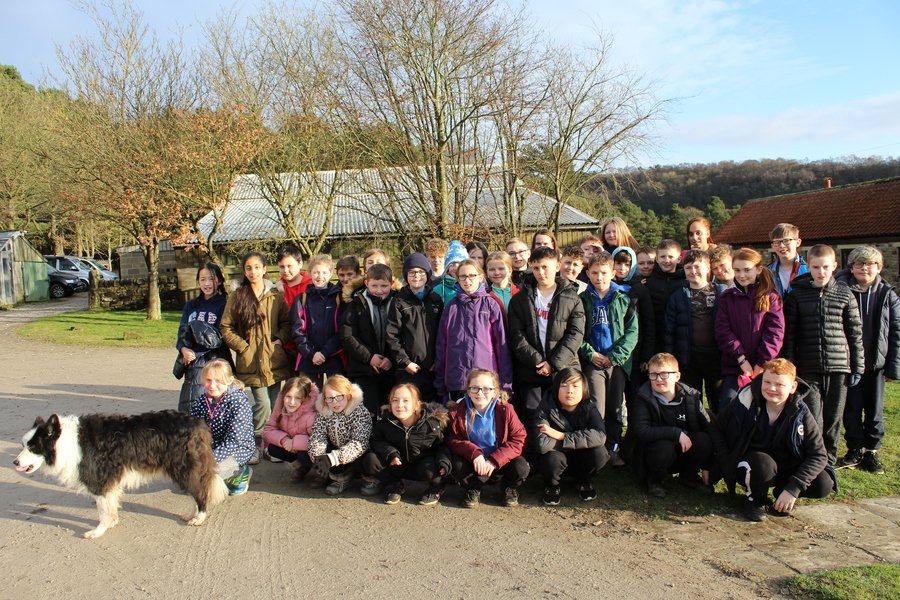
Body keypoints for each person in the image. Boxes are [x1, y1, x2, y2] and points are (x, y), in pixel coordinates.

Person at [710, 358, 835, 522]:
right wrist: (726, 460)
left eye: (779, 385)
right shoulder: (745, 400)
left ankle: (781, 496)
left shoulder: (802, 413)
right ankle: (755, 500)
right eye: (767, 382)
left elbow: (818, 455)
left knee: (824, 483)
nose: (771, 388)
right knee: (763, 463)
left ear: (793, 387)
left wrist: (793, 489)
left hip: (784, 467)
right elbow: (717, 427)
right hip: (751, 465)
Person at [782, 244, 863, 466]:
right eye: (816, 267)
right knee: (814, 417)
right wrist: (790, 365)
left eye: (825, 267)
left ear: (835, 266)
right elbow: (790, 335)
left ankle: (829, 460)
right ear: (808, 266)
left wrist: (858, 366)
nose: (821, 272)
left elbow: (855, 333)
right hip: (808, 367)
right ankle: (814, 458)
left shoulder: (845, 293)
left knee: (833, 418)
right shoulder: (797, 295)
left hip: (839, 367)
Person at [220, 252, 293, 464]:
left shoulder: (275, 295)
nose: (253, 272)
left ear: (264, 269)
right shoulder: (237, 296)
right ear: (244, 271)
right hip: (250, 361)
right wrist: (242, 346)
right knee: (263, 405)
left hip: (274, 360)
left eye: (257, 267)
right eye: (248, 268)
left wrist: (279, 339)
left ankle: (271, 446)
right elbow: (225, 327)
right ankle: (250, 445)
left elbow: (287, 323)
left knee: (275, 404)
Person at [835, 246, 900, 473]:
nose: (864, 268)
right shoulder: (840, 289)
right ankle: (854, 449)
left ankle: (871, 452)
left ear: (879, 268)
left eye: (870, 264)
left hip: (876, 362)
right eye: (859, 264)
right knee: (851, 408)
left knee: (874, 410)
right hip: (849, 361)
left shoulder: (887, 294)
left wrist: (894, 366)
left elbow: (896, 331)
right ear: (851, 267)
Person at [508, 246, 585, 422]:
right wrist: (537, 361)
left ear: (557, 266)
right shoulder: (519, 300)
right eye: (536, 268)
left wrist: (553, 363)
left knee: (565, 415)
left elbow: (576, 334)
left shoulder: (572, 298)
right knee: (533, 415)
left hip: (563, 367)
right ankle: (537, 449)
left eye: (545, 267)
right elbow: (517, 335)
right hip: (531, 368)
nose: (541, 272)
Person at [579, 252, 638, 466]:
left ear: (613, 273)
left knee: (615, 406)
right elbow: (576, 332)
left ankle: (613, 446)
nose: (599, 277)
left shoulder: (625, 298)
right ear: (588, 274)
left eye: (604, 273)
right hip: (593, 361)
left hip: (617, 363)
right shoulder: (583, 299)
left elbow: (632, 333)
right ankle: (596, 446)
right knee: (596, 406)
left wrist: (614, 357)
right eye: (594, 273)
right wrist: (590, 354)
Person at [629, 353, 712, 498]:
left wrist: (707, 466)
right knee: (664, 447)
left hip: (683, 451)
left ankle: (688, 475)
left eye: (664, 374)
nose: (658, 379)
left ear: (677, 376)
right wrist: (676, 433)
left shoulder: (691, 397)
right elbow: (640, 431)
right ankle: (655, 480)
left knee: (703, 440)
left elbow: (708, 428)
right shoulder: (643, 397)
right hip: (656, 454)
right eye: (653, 374)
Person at [447, 369, 530, 508]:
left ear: (495, 391)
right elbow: (453, 440)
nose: (480, 393)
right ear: (468, 390)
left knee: (520, 468)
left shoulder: (506, 409)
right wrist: (474, 454)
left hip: (500, 463)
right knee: (457, 465)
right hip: (474, 463)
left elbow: (519, 438)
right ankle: (473, 488)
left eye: (486, 389)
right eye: (475, 388)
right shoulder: (458, 410)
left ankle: (508, 488)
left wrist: (494, 460)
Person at [715, 248, 784, 411]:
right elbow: (723, 331)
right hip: (736, 366)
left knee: (762, 409)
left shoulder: (770, 297)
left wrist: (762, 363)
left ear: (758, 269)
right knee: (729, 406)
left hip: (765, 367)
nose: (742, 275)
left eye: (747, 270)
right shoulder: (727, 298)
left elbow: (775, 333)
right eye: (737, 270)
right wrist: (741, 359)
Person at [435, 259, 512, 403]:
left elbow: (502, 346)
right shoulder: (451, 307)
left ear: (481, 277)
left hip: (486, 383)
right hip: (457, 381)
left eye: (472, 275)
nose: (467, 280)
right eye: (463, 276)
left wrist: (505, 385)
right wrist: (440, 384)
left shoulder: (491, 305)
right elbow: (442, 347)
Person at [361, 383, 451, 505]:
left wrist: (443, 461)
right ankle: (394, 485)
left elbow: (442, 446)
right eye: (395, 400)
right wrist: (391, 453)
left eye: (406, 401)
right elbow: (376, 441)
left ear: (416, 405)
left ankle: (436, 488)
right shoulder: (385, 422)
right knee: (370, 460)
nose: (400, 405)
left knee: (432, 469)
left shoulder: (431, 424)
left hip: (422, 466)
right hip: (397, 464)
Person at [531, 367, 608, 505]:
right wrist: (575, 443)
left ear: (584, 389)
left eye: (576, 386)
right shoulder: (545, 408)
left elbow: (600, 436)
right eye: (564, 386)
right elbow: (542, 444)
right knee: (551, 458)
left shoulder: (589, 407)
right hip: (558, 458)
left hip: (581, 457)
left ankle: (584, 481)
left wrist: (562, 436)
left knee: (600, 453)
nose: (570, 391)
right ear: (556, 388)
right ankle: (552, 486)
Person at [663, 250, 724, 412]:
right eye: (688, 267)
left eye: (697, 266)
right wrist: (670, 358)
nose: (693, 271)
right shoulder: (678, 296)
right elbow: (669, 330)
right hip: (688, 357)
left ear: (707, 268)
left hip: (715, 357)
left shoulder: (721, 293)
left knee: (718, 399)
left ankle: (719, 433)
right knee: (691, 401)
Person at [190, 359, 255, 496]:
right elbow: (192, 428)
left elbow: (234, 441)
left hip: (239, 448)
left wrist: (209, 459)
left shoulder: (238, 402)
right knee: (193, 470)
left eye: (218, 380)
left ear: (229, 380)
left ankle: (241, 474)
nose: (212, 385)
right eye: (208, 380)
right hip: (212, 445)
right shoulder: (202, 401)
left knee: (212, 471)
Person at [340, 263, 397, 414]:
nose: (379, 290)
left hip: (391, 369)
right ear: (366, 283)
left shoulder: (398, 303)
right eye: (374, 286)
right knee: (367, 412)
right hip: (364, 369)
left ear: (391, 284)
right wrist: (369, 357)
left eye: (384, 286)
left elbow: (403, 334)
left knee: (390, 411)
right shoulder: (356, 304)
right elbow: (347, 336)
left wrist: (391, 358)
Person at [386, 253, 443, 402]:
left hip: (433, 368)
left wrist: (438, 359)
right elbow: (392, 336)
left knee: (432, 410)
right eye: (412, 272)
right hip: (408, 369)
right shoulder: (399, 301)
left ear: (427, 274)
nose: (416, 276)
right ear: (406, 276)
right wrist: (405, 362)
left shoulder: (435, 299)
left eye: (421, 272)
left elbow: (442, 333)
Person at [176, 262, 229, 413]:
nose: (207, 283)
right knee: (192, 406)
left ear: (219, 280)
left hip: (215, 359)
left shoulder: (224, 304)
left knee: (217, 404)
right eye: (202, 279)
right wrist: (183, 348)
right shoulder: (191, 306)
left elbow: (222, 335)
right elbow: (182, 330)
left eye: (211, 279)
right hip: (192, 362)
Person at [308, 374, 373, 496]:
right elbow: (317, 434)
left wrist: (333, 458)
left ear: (348, 396)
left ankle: (371, 480)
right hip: (337, 449)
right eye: (330, 398)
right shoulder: (324, 411)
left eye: (339, 397)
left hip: (359, 452)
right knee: (321, 453)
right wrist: (318, 457)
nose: (334, 402)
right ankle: (342, 479)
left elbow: (359, 442)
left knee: (369, 460)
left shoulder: (360, 412)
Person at [291, 253, 344, 389]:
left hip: (334, 357)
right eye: (315, 272)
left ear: (331, 273)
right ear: (310, 273)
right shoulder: (301, 299)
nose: (320, 276)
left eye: (324, 272)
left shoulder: (339, 298)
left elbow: (342, 330)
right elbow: (297, 331)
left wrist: (325, 352)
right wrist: (311, 353)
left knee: (336, 397)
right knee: (310, 400)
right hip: (308, 358)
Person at [262, 376, 319, 480]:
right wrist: (284, 440)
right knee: (272, 448)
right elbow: (267, 430)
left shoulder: (311, 415)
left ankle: (319, 472)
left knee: (304, 456)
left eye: (297, 398)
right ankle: (300, 467)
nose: (291, 402)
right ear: (283, 396)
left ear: (305, 399)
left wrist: (294, 443)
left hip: (307, 450)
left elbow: (318, 439)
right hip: (290, 445)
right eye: (288, 396)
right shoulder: (280, 409)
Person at [645, 239, 685, 353]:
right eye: (662, 257)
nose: (666, 260)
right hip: (656, 337)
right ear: (657, 259)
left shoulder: (685, 282)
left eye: (671, 257)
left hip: (679, 338)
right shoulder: (649, 282)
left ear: (679, 259)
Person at [767, 223, 808, 297]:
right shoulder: (767, 272)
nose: (782, 246)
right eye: (777, 242)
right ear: (772, 246)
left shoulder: (808, 270)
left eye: (786, 241)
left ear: (798, 242)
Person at [275, 245, 312, 312]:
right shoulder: (277, 289)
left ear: (300, 264)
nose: (285, 270)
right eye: (282, 267)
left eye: (289, 266)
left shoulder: (312, 285)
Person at [432, 240, 469, 305]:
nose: (456, 268)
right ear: (447, 268)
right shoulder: (439, 290)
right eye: (452, 265)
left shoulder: (472, 286)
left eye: (460, 264)